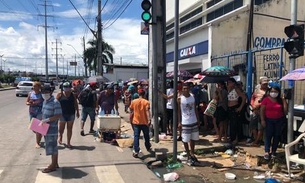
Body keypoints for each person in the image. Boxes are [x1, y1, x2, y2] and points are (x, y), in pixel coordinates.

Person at [260, 85, 287, 160]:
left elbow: (285, 111)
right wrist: (262, 120)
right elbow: (262, 110)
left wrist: (284, 100)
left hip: (279, 120)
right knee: (268, 136)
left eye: (275, 91)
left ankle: (274, 151)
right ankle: (267, 151)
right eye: (272, 91)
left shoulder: (280, 100)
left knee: (276, 136)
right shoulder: (266, 100)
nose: (273, 93)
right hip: (269, 120)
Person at [40, 85, 62, 173]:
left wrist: (47, 120)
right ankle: (55, 163)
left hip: (52, 129)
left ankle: (52, 165)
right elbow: (43, 112)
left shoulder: (55, 102)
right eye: (43, 93)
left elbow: (58, 115)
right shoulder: (45, 101)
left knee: (52, 147)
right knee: (52, 146)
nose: (44, 94)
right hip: (45, 128)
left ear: (50, 92)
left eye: (46, 92)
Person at [178, 82, 200, 166]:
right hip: (185, 121)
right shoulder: (180, 99)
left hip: (193, 120)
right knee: (185, 139)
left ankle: (192, 153)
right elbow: (179, 111)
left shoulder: (192, 97)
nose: (185, 90)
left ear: (189, 89)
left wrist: (198, 120)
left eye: (186, 88)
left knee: (193, 138)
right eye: (183, 89)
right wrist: (179, 122)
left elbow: (195, 109)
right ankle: (188, 154)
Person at [129, 89, 152, 158]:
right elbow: (147, 111)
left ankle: (136, 151)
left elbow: (131, 110)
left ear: (138, 94)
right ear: (144, 94)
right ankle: (148, 147)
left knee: (136, 136)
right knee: (146, 135)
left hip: (136, 122)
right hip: (144, 122)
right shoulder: (146, 102)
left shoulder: (134, 102)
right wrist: (149, 119)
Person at [56, 82, 80, 148]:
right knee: (61, 128)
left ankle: (68, 142)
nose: (66, 89)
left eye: (68, 87)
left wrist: (77, 112)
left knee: (69, 128)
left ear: (70, 88)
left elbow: (76, 104)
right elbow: (55, 103)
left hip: (71, 114)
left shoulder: (73, 95)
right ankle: (60, 136)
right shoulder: (60, 95)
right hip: (62, 114)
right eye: (65, 87)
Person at [226, 78, 247, 145]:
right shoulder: (229, 90)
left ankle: (236, 138)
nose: (228, 84)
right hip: (229, 108)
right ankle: (232, 137)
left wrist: (240, 107)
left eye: (230, 82)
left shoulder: (236, 89)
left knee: (235, 124)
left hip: (235, 107)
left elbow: (244, 98)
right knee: (232, 123)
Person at [249, 76, 269, 146]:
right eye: (264, 84)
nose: (265, 85)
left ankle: (257, 141)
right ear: (260, 83)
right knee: (253, 124)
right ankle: (255, 138)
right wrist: (253, 105)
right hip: (254, 109)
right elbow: (253, 97)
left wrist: (260, 105)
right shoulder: (257, 90)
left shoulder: (268, 91)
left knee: (261, 126)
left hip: (262, 110)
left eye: (266, 84)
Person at [26, 81, 44, 148]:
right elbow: (27, 102)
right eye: (33, 86)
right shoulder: (30, 93)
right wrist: (29, 103)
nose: (33, 87)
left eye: (35, 86)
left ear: (39, 87)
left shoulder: (42, 94)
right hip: (32, 111)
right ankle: (39, 134)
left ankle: (37, 143)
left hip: (40, 112)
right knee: (33, 128)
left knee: (37, 128)